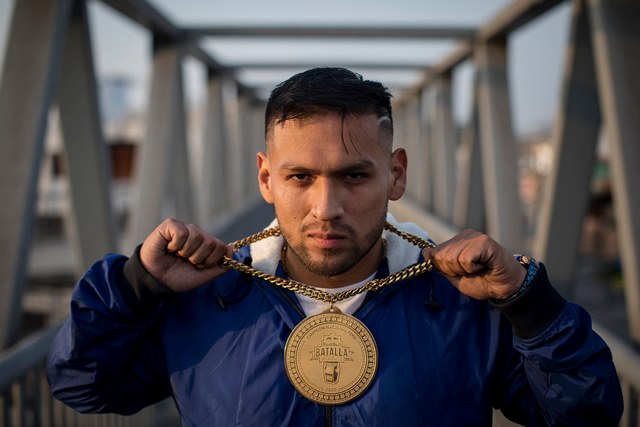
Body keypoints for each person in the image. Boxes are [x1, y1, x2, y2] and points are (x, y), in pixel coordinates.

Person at [47, 67, 623, 426]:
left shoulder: (463, 303)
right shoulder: (204, 298)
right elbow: (80, 383)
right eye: (300, 177)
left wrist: (527, 302)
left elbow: (585, 415)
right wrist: (134, 287)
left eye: (353, 176)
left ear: (396, 174)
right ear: (266, 178)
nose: (326, 207)